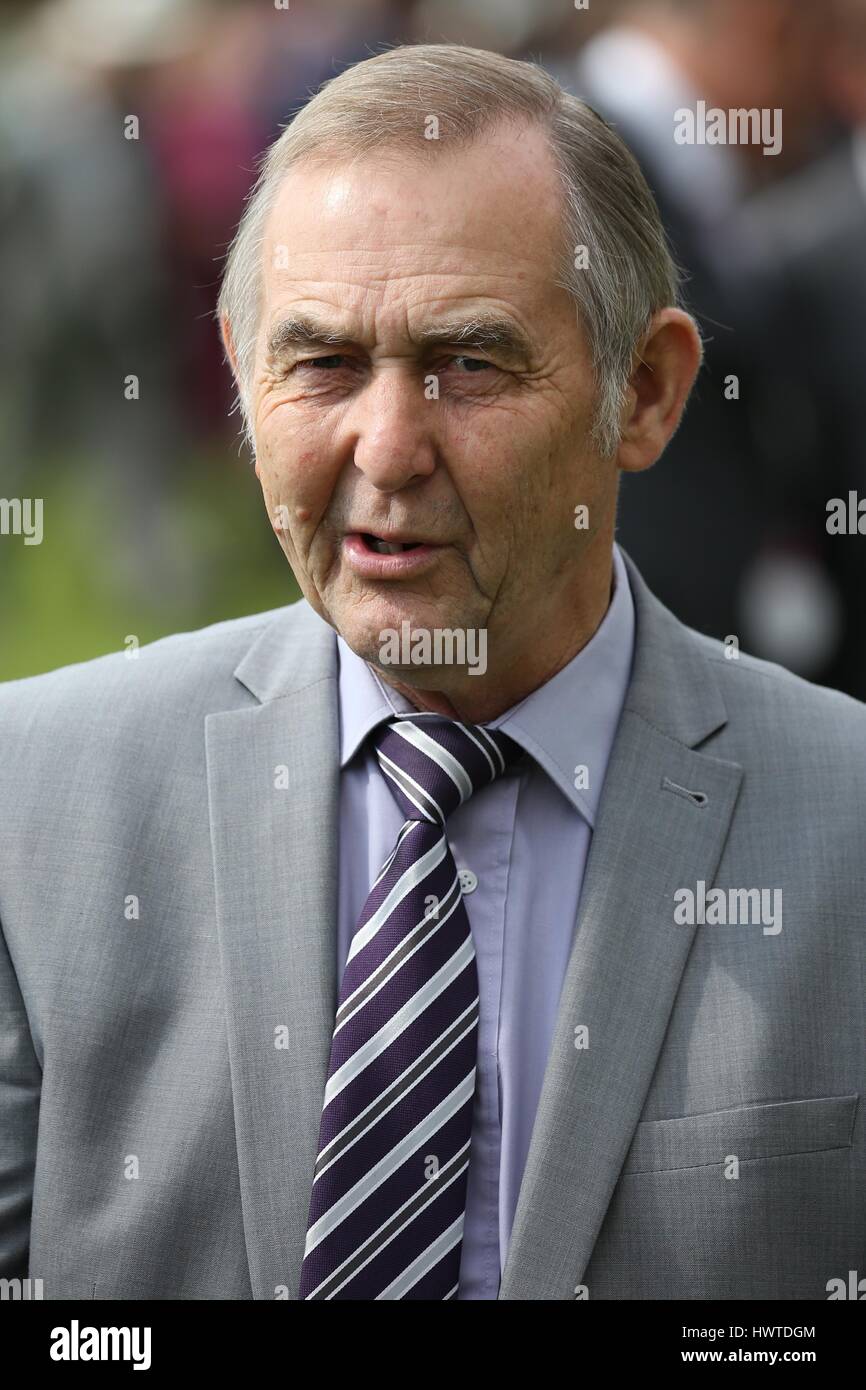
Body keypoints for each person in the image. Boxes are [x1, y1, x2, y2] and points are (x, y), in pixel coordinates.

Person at [0, 43, 862, 1302]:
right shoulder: (34, 805)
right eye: (323, 364)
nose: (388, 448)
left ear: (648, 390)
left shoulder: (840, 823)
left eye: (470, 363)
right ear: (241, 375)